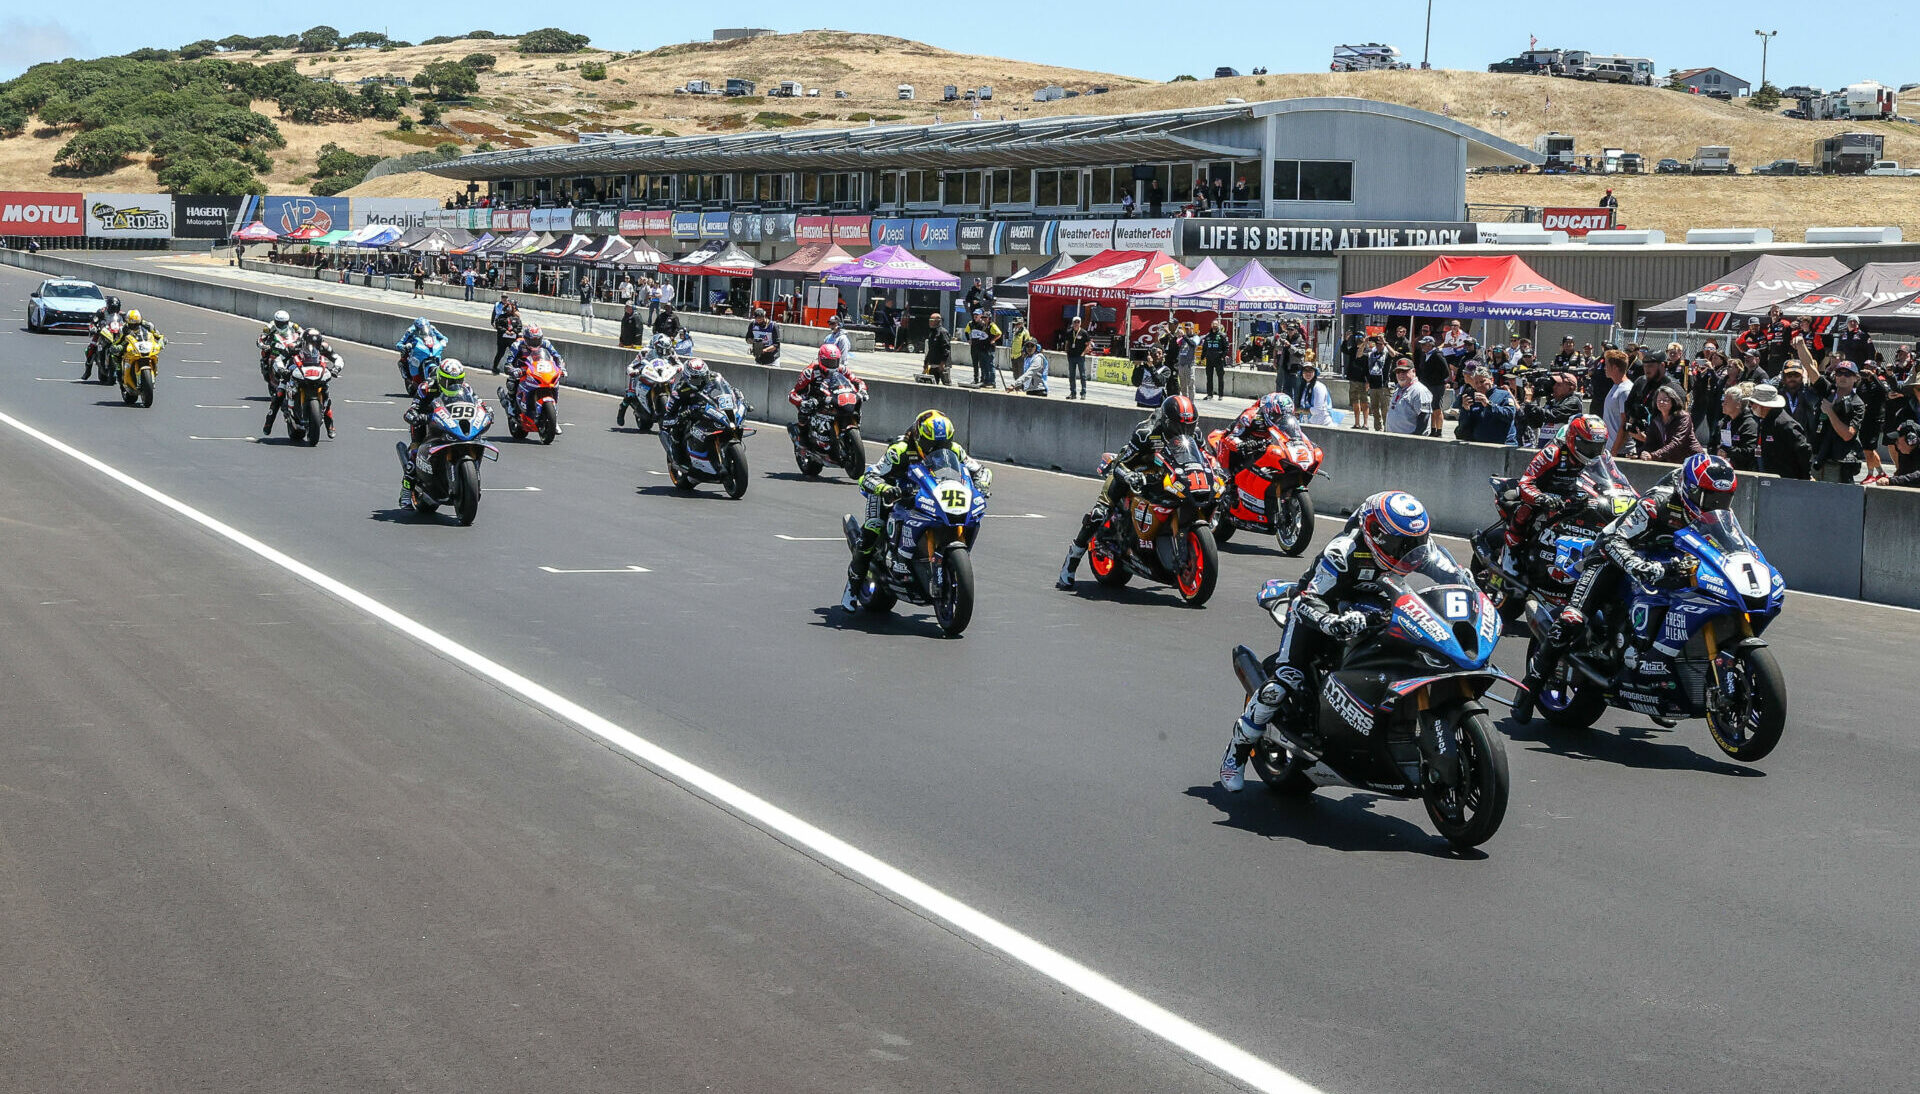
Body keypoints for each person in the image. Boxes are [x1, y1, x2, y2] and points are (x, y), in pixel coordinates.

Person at [1218, 491, 1436, 791]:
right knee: (1285, 681)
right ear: (1376, 534)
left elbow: (1447, 570)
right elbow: (1309, 599)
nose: (1408, 551)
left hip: (1374, 609)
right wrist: (1331, 622)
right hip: (1318, 611)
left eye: (1414, 542)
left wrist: (1472, 586)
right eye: (1400, 544)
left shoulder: (1414, 547)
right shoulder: (1343, 550)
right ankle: (1237, 752)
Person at [1513, 454, 1738, 724]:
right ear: (1690, 490)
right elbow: (1615, 539)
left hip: (1665, 563)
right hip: (1612, 558)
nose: (1717, 505)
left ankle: (1661, 684)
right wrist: (1636, 565)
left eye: (1723, 500)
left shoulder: (1712, 514)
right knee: (1572, 619)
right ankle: (1529, 689)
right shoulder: (1658, 503)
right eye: (1711, 498)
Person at [847, 411, 989, 607]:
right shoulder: (900, 449)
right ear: (919, 438)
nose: (938, 449)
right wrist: (885, 488)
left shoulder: (955, 450)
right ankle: (852, 590)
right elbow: (869, 476)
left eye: (944, 444)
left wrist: (981, 485)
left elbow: (981, 471)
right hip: (893, 496)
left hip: (929, 497)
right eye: (932, 444)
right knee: (873, 528)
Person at [1057, 396, 1198, 588]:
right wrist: (1131, 476)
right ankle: (1071, 562)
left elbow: (1204, 458)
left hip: (1164, 475)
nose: (1184, 431)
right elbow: (1120, 465)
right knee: (1099, 513)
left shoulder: (1194, 434)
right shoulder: (1146, 432)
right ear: (1166, 422)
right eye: (1178, 426)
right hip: (1135, 470)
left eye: (1189, 427)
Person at [1501, 414, 1611, 569]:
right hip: (1544, 493)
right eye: (1588, 446)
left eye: (1598, 446)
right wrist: (1541, 498)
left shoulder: (1602, 457)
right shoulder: (1553, 452)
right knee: (1525, 511)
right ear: (1573, 439)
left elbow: (1615, 478)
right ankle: (1510, 556)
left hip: (1572, 496)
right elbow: (1526, 482)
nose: (1593, 451)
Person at [397, 359, 474, 509]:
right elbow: (414, 406)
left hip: (451, 423)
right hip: (427, 422)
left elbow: (476, 402)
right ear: (440, 378)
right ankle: (405, 491)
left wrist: (485, 410)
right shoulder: (426, 387)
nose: (454, 384)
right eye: (449, 381)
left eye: (458, 380)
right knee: (415, 451)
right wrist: (414, 415)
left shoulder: (466, 388)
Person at [265, 327, 341, 438]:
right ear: (303, 341)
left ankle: (330, 425)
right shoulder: (293, 346)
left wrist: (336, 368)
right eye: (311, 343)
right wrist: (282, 369)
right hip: (294, 369)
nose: (313, 346)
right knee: (279, 393)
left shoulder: (324, 346)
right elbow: (279, 360)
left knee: (325, 390)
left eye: (316, 343)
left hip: (315, 370)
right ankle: (268, 422)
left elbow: (337, 358)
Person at [658, 359, 721, 476]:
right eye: (697, 379)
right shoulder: (679, 390)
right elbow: (668, 416)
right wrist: (680, 416)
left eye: (704, 377)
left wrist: (737, 396)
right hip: (690, 416)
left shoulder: (715, 377)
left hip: (712, 410)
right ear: (688, 378)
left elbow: (727, 389)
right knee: (676, 430)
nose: (702, 381)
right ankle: (678, 460)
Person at [1219, 393, 1296, 480]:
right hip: (1243, 446)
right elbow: (1231, 437)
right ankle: (1227, 479)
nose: (1280, 419)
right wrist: (1243, 444)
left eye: (1285, 416)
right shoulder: (1251, 416)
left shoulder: (1285, 422)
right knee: (1228, 475)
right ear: (1268, 411)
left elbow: (1295, 436)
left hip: (1266, 449)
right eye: (1277, 415)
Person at [1812, 359, 1866, 482]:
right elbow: (1811, 370)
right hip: (1819, 457)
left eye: (1847, 374)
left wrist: (1830, 412)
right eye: (1839, 373)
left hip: (1840, 462)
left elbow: (1848, 435)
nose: (1843, 377)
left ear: (1856, 378)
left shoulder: (1857, 403)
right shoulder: (1828, 391)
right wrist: (1800, 346)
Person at [1746, 383, 1813, 479]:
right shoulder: (1765, 421)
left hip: (1786, 481)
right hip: (1768, 478)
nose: (1750, 406)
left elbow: (1804, 450)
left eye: (1752, 403)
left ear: (1763, 405)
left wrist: (1805, 477)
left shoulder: (1785, 424)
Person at [787, 343, 867, 412]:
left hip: (835, 400)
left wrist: (862, 389)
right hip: (815, 401)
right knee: (804, 414)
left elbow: (856, 380)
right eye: (828, 362)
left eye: (834, 362)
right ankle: (802, 428)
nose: (832, 365)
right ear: (820, 359)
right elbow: (793, 394)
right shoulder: (810, 372)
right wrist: (802, 402)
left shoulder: (842, 369)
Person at [1635, 384, 1705, 463]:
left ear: (1673, 401)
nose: (1661, 402)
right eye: (1659, 400)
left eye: (1665, 400)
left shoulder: (1683, 417)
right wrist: (1639, 454)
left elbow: (1677, 442)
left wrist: (1653, 456)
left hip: (1692, 460)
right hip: (1672, 461)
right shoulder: (1656, 419)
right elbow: (1651, 443)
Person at [1453, 363, 1519, 445]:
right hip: (1479, 445)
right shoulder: (1471, 397)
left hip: (1502, 445)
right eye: (1476, 383)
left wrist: (1489, 405)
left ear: (1491, 380)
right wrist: (1465, 410)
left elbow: (1509, 415)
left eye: (1482, 381)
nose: (1479, 385)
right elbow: (1464, 425)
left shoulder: (1504, 395)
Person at [1717, 382, 1762, 470]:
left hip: (1741, 471)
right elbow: (1713, 444)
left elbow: (1749, 451)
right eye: (1723, 401)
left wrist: (1728, 451)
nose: (1723, 404)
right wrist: (1717, 450)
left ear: (1738, 404)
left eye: (1726, 402)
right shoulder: (1724, 422)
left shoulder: (1749, 424)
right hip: (1722, 467)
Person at [1384, 360, 1432, 436]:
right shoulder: (1398, 389)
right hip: (1393, 439)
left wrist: (1414, 439)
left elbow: (1424, 417)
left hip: (1408, 441)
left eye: (1404, 371)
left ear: (1413, 371)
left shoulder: (1419, 391)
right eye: (1398, 372)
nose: (1401, 374)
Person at [85, 294, 127, 380]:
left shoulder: (122, 314)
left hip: (116, 333)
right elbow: (93, 321)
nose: (114, 310)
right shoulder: (101, 312)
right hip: (102, 332)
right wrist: (93, 328)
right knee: (91, 347)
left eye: (116, 308)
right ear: (108, 306)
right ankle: (88, 370)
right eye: (113, 308)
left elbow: (128, 323)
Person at [1414, 335, 1450, 436]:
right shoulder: (1424, 355)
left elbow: (1446, 371)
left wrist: (1436, 379)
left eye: (1424, 344)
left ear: (1430, 345)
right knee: (1431, 408)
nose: (1422, 346)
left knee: (1437, 408)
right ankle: (1433, 429)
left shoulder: (1437, 355)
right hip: (1427, 386)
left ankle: (1439, 431)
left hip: (1436, 386)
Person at [1599, 351, 1631, 454]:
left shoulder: (1625, 390)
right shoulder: (1615, 386)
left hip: (1620, 452)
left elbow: (1625, 424)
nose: (1604, 368)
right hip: (1610, 450)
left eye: (1607, 365)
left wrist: (1614, 451)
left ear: (1615, 368)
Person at [964, 310, 1002, 387]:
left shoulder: (991, 325)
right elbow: (966, 332)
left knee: (989, 365)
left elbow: (999, 333)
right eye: (983, 317)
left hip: (988, 348)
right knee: (982, 365)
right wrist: (969, 340)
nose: (984, 319)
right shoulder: (972, 324)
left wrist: (993, 340)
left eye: (985, 317)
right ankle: (982, 380)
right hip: (981, 347)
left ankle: (991, 382)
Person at [1201, 319, 1232, 400]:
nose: (1214, 326)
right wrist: (1202, 357)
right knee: (1209, 377)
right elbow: (1204, 348)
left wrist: (1222, 356)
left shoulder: (1222, 335)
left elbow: (1226, 347)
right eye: (1213, 324)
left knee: (1220, 378)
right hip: (1209, 359)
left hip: (1218, 359)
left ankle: (1221, 395)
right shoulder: (1208, 335)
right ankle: (1209, 394)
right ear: (1211, 325)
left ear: (1218, 325)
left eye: (1216, 324)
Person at [1063, 316, 1092, 400]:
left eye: (1078, 322)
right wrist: (1066, 351)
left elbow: (1088, 345)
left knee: (1082, 375)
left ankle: (1083, 393)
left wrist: (1083, 353)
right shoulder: (1069, 332)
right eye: (1075, 322)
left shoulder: (1084, 333)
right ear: (1072, 323)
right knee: (1072, 376)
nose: (1076, 324)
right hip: (1071, 357)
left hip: (1080, 357)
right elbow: (1067, 343)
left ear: (1080, 323)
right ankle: (1073, 393)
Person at [491, 296, 521, 373]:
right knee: (500, 353)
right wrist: (505, 331)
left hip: (513, 339)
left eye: (511, 307)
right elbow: (498, 325)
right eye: (508, 307)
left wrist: (514, 331)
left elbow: (519, 326)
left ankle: (514, 368)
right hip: (502, 339)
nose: (509, 309)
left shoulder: (516, 318)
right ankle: (495, 367)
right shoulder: (501, 317)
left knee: (516, 354)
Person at [922, 312, 952, 385]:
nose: (930, 322)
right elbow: (931, 349)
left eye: (932, 320)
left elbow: (946, 349)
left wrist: (943, 363)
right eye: (930, 320)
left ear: (938, 321)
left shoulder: (942, 332)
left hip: (942, 365)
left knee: (946, 384)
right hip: (933, 364)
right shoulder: (932, 333)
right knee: (932, 384)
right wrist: (926, 363)